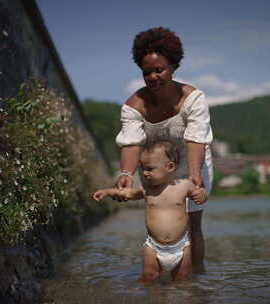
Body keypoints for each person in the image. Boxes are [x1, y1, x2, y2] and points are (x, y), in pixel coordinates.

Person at [114, 27, 213, 270]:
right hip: (154, 166)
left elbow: (196, 138)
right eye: (147, 72)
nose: (153, 77)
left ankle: (194, 282)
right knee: (161, 223)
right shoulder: (133, 105)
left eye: (159, 70)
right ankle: (158, 283)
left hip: (194, 161)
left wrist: (194, 172)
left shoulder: (192, 98)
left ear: (173, 66)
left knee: (191, 224)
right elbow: (131, 142)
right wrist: (126, 173)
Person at [93, 139, 207, 282]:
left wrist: (202, 194)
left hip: (181, 247)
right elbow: (127, 193)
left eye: (150, 168)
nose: (145, 173)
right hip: (153, 247)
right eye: (143, 168)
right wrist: (107, 192)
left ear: (170, 167)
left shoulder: (184, 186)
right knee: (149, 278)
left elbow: (201, 193)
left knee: (183, 279)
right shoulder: (146, 189)